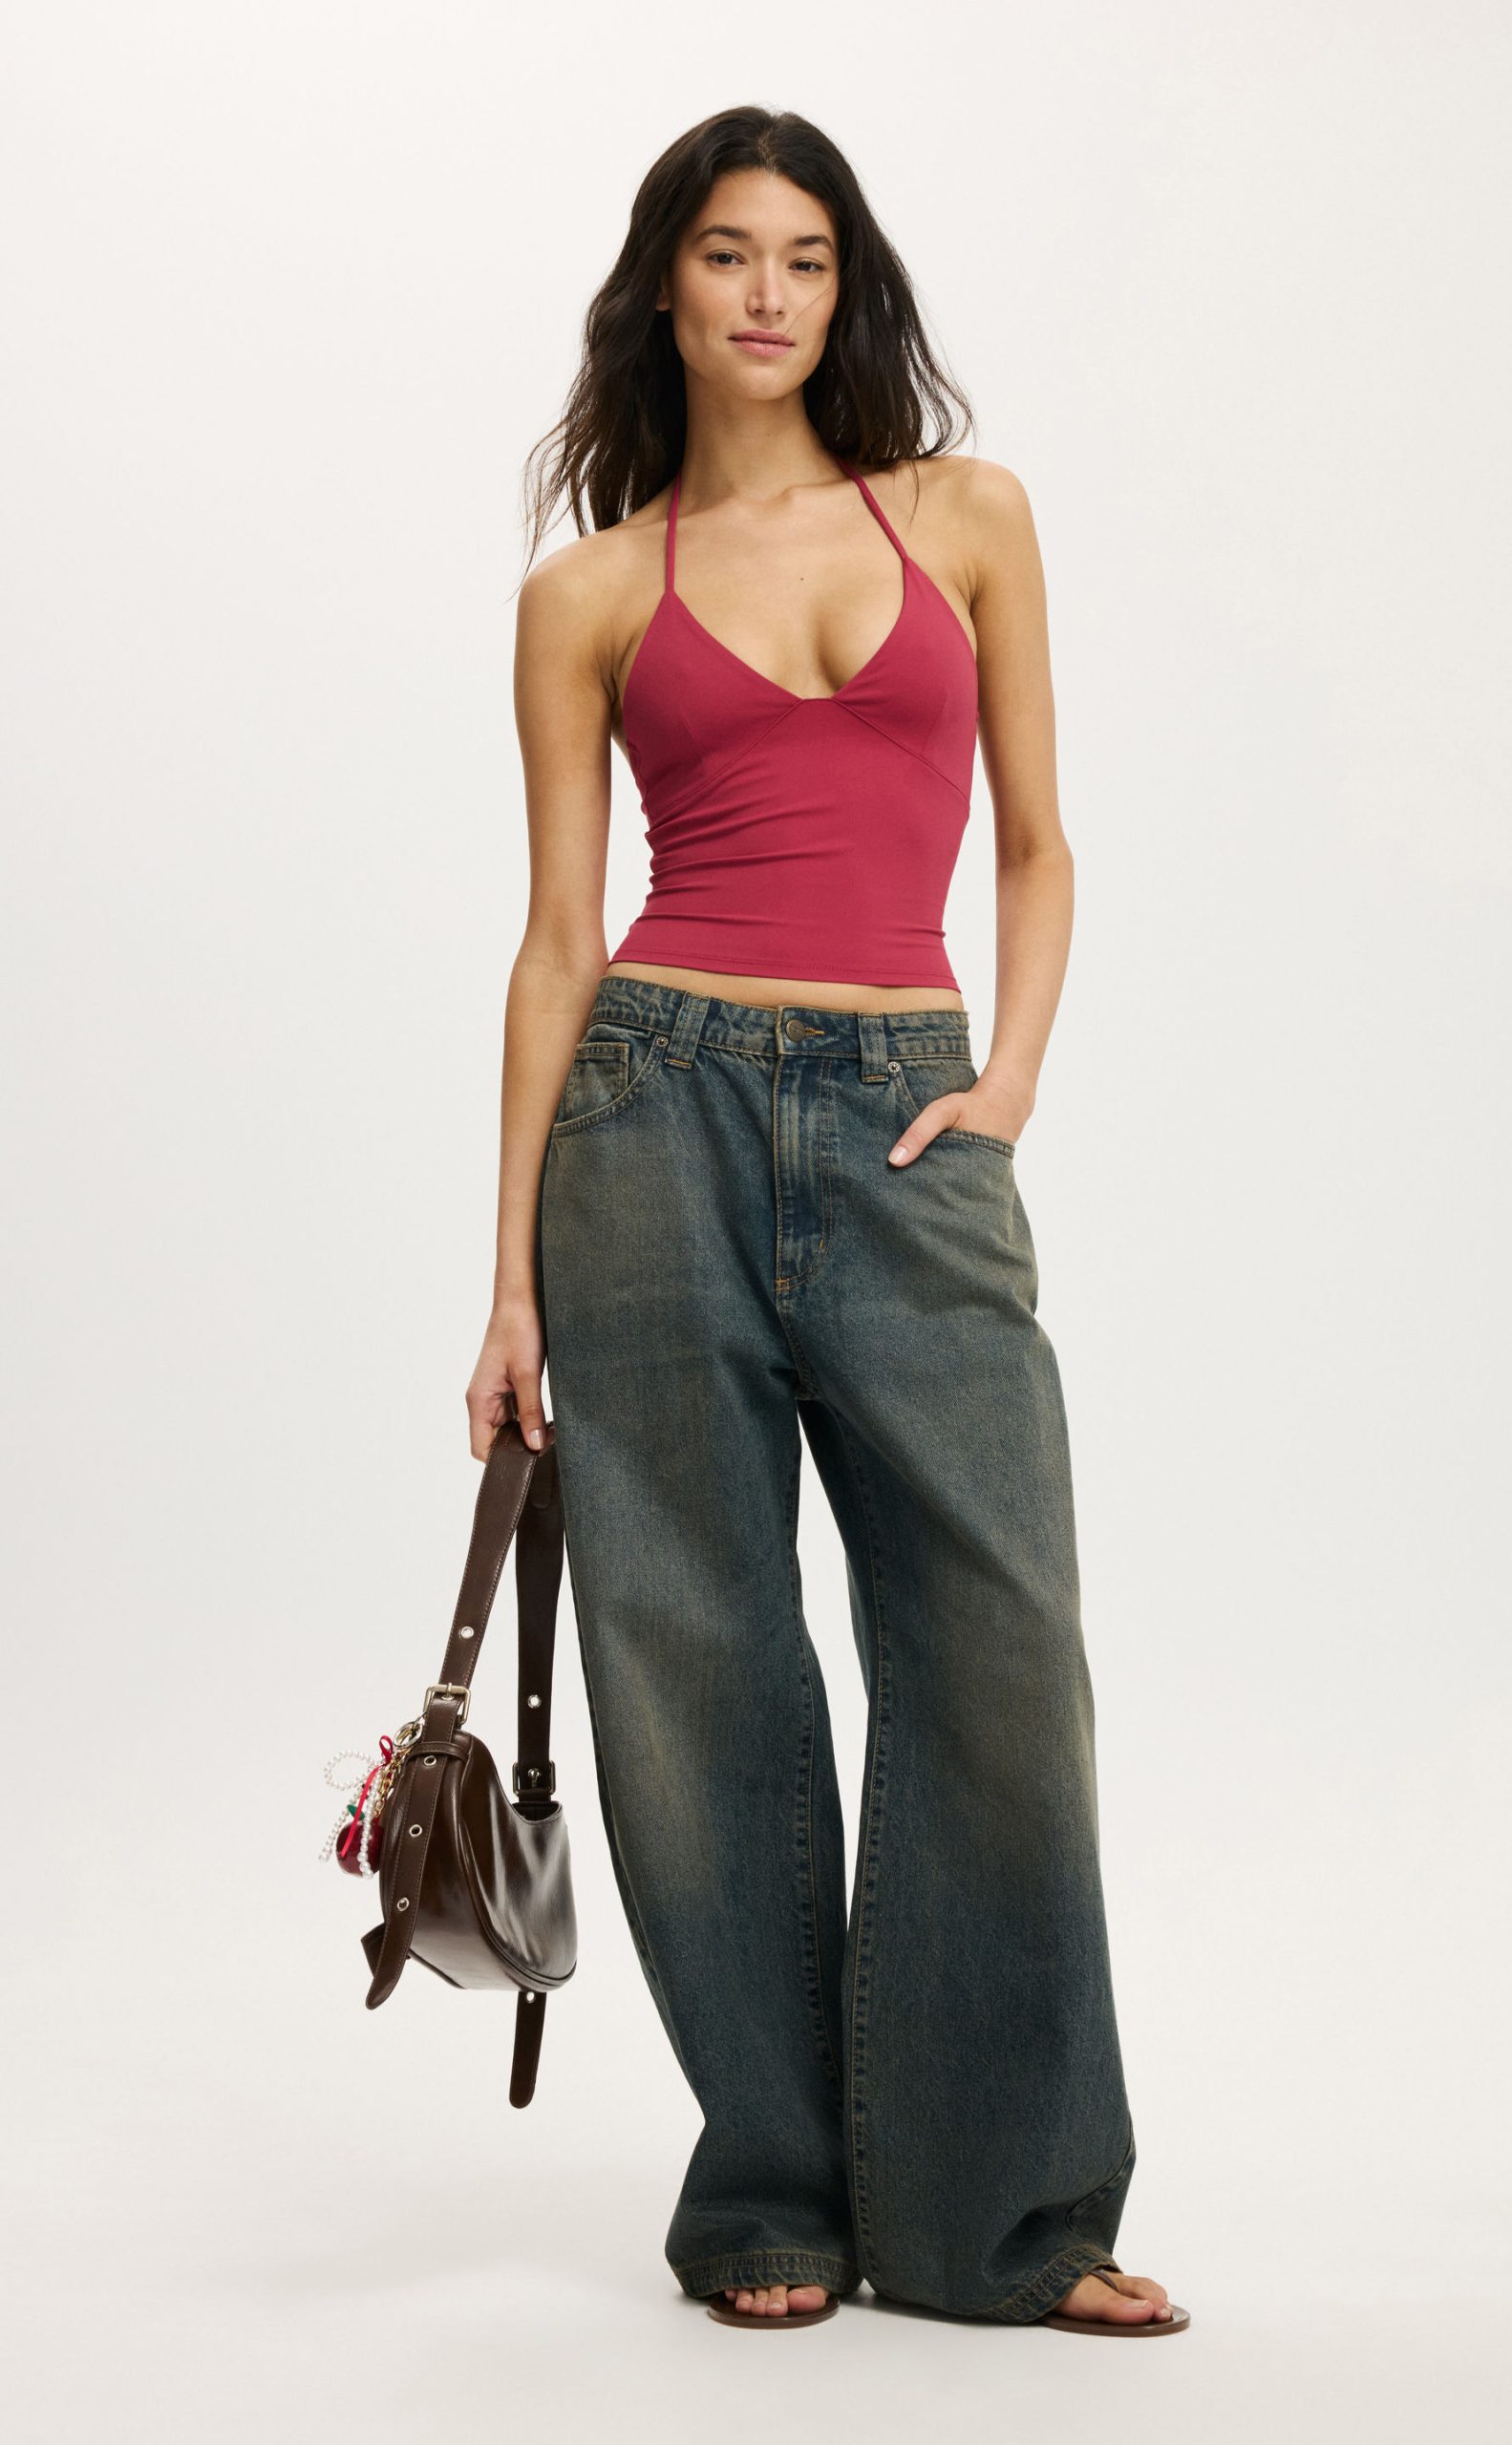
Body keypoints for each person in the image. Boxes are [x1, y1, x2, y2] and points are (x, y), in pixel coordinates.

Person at [466, 104, 1187, 2338]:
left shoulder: (964, 516)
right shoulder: (588, 592)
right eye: (725, 253)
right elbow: (556, 939)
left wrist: (1009, 1079)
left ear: (841, 286)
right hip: (648, 1112)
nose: (766, 291)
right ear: (662, 288)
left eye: (803, 255)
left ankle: (1001, 2213)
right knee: (696, 1664)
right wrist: (505, 1283)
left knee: (997, 1642)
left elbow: (1038, 840)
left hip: (904, 1115)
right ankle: (770, 2184)